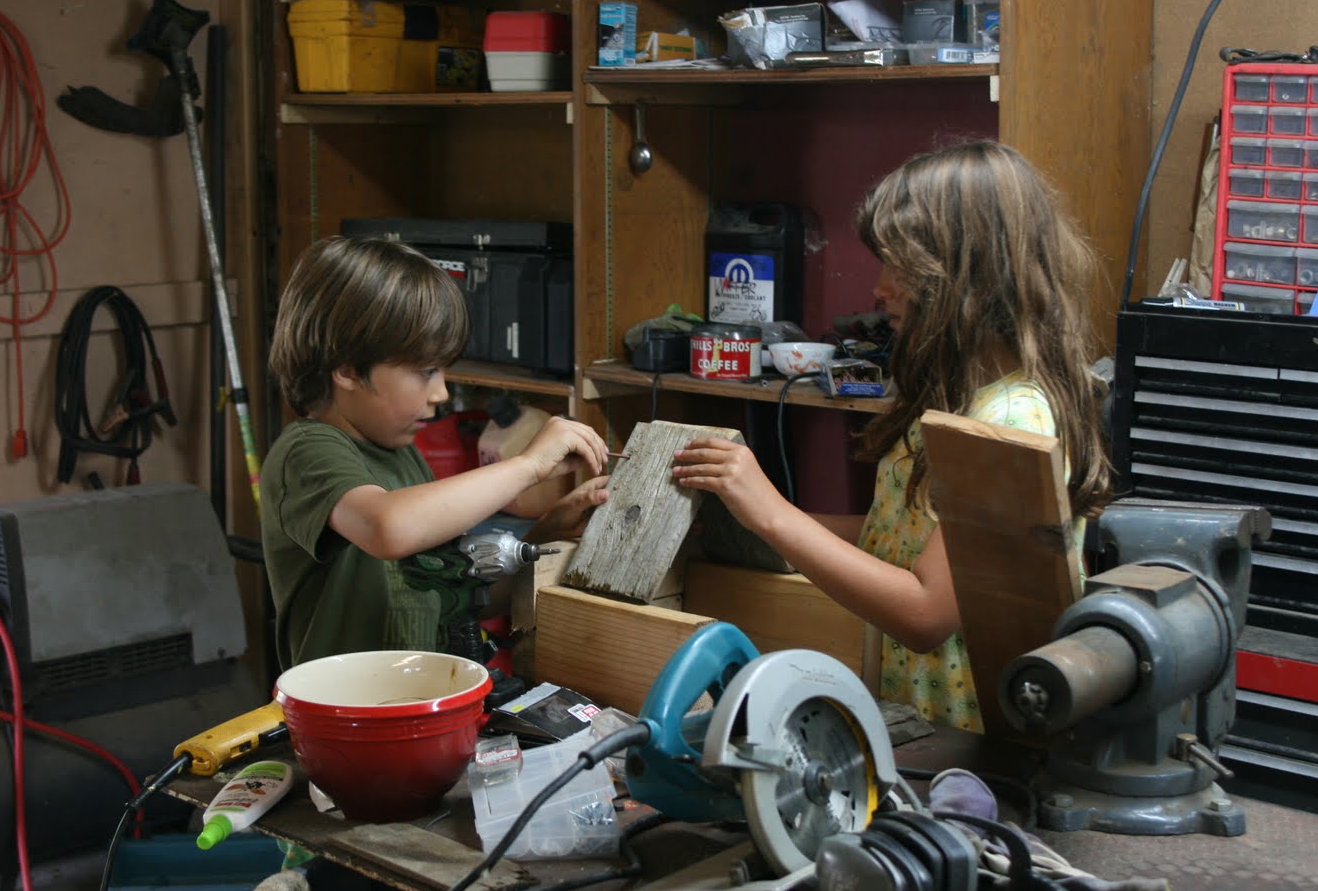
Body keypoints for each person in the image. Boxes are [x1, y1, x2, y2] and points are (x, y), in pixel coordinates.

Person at [672, 140, 1113, 730]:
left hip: (973, 743)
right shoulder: (960, 396)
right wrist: (748, 522)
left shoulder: (1010, 422)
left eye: (901, 267)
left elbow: (926, 614)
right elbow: (899, 535)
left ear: (969, 275)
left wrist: (773, 515)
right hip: (918, 723)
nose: (880, 289)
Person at [262, 235, 611, 669]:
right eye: (426, 371)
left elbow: (455, 598)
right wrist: (528, 465)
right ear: (347, 369)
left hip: (426, 700)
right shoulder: (307, 452)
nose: (441, 393)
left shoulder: (403, 458)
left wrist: (544, 535)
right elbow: (386, 528)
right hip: (347, 710)